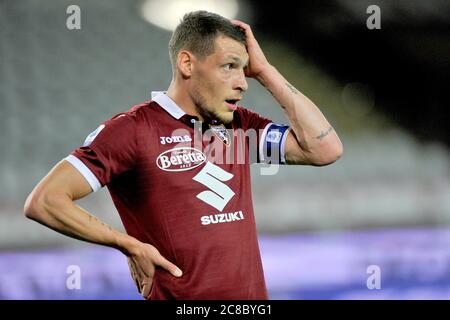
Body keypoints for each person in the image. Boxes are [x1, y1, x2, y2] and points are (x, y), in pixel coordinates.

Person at [24, 11, 343, 300]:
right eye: (229, 66)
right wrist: (128, 244)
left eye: (244, 69)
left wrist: (267, 72)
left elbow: (324, 149)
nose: (242, 83)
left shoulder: (239, 126)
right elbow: (45, 201)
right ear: (187, 64)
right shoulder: (132, 130)